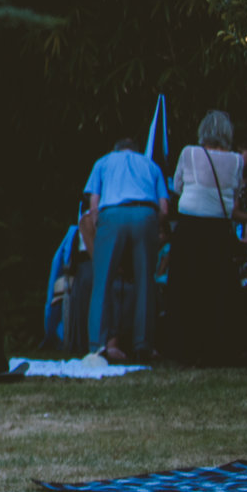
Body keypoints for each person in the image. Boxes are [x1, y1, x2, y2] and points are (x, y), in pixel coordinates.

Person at [164, 110, 247, 365]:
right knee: (217, 290)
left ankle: (183, 349)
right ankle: (217, 349)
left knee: (186, 289)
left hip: (190, 228)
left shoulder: (189, 153)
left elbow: (177, 186)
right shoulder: (236, 160)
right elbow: (237, 190)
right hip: (219, 231)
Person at [82, 135, 171, 363]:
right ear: (136, 150)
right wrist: (151, 225)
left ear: (116, 149)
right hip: (145, 214)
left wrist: (101, 229)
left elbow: (93, 205)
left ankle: (98, 345)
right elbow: (164, 209)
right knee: (145, 282)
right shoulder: (151, 165)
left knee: (102, 282)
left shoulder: (103, 162)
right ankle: (143, 345)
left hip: (112, 213)